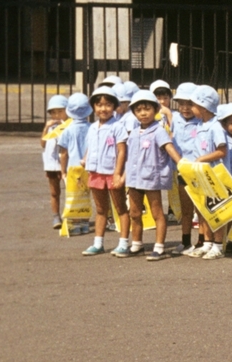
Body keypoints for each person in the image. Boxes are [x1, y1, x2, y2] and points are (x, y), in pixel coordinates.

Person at [118, 91, 182, 260]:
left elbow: (169, 148)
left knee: (157, 213)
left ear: (156, 110)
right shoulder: (133, 132)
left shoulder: (158, 131)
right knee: (135, 212)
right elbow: (129, 156)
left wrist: (181, 163)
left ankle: (159, 246)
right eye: (139, 110)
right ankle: (137, 244)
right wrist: (124, 176)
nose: (143, 113)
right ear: (134, 113)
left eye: (147, 109)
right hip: (133, 178)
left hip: (151, 178)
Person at [80, 86, 129, 256]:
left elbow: (122, 150)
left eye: (108, 105)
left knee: (120, 208)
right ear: (94, 106)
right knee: (101, 209)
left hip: (111, 173)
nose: (103, 109)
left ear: (115, 106)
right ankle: (98, 243)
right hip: (95, 172)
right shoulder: (93, 127)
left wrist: (118, 173)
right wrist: (85, 161)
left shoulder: (118, 126)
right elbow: (90, 147)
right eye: (99, 105)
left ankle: (123, 243)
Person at [188, 86, 228, 260]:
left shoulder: (215, 127)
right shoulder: (200, 125)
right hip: (202, 175)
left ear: (203, 107)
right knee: (204, 211)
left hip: (215, 176)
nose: (190, 108)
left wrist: (201, 159)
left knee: (217, 211)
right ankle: (207, 243)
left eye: (193, 105)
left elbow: (222, 151)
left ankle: (218, 245)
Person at [57, 93, 93, 234]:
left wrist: (63, 171)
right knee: (85, 195)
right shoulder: (92, 128)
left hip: (73, 168)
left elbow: (63, 153)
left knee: (72, 197)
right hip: (88, 167)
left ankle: (75, 225)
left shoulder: (67, 130)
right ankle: (84, 222)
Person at [172, 83, 202, 252]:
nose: (185, 108)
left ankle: (202, 240)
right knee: (186, 208)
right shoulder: (175, 118)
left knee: (201, 207)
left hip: (198, 169)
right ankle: (185, 240)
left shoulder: (201, 121)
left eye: (190, 103)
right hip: (182, 168)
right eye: (181, 103)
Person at [42, 94, 70, 229]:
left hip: (67, 164)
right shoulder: (51, 126)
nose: (57, 115)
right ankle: (56, 216)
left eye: (60, 111)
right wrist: (46, 128)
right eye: (53, 112)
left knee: (70, 192)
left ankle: (71, 216)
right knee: (54, 192)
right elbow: (43, 144)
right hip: (51, 165)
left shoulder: (69, 125)